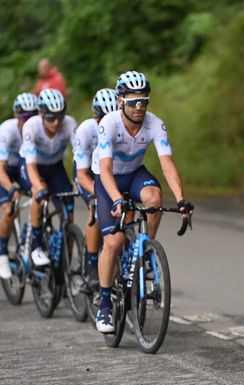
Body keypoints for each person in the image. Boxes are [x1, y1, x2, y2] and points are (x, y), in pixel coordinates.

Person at [93, 71, 192, 333]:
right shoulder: (109, 124)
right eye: (133, 102)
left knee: (154, 198)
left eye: (144, 101)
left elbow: (167, 164)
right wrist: (116, 199)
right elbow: (104, 169)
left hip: (135, 173)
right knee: (113, 242)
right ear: (120, 102)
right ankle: (104, 305)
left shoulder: (155, 124)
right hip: (109, 178)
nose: (139, 107)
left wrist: (181, 198)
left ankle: (146, 248)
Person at [20, 88, 77, 267]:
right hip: (33, 166)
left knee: (68, 212)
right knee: (39, 194)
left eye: (60, 116)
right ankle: (37, 245)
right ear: (40, 113)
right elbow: (30, 165)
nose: (56, 122)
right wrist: (40, 187)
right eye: (51, 117)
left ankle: (66, 266)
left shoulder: (69, 123)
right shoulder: (32, 126)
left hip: (55, 167)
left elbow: (80, 157)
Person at [73, 88, 119, 285]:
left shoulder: (123, 127)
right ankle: (92, 266)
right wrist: (101, 195)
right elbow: (81, 175)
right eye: (104, 119)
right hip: (87, 174)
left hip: (108, 172)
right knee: (98, 210)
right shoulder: (85, 130)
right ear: (95, 117)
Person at [0, 93, 37, 278]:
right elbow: (0, 170)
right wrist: (11, 188)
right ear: (17, 116)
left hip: (22, 166)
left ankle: (31, 239)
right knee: (9, 209)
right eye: (25, 117)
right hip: (3, 167)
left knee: (38, 194)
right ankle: (1, 252)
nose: (29, 121)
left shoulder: (35, 131)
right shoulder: (7, 131)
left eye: (34, 116)